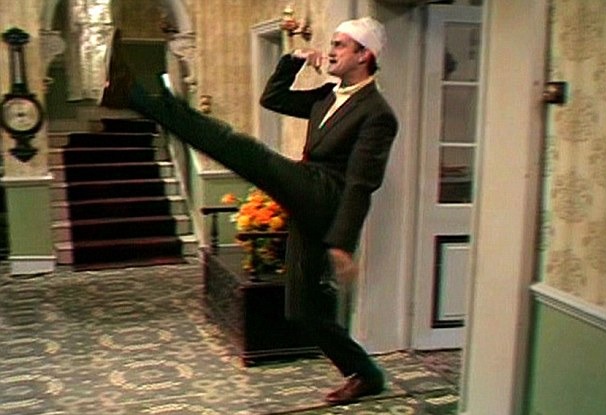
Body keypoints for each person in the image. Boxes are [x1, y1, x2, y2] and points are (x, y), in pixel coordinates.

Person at [101, 16, 398, 405]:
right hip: (307, 197)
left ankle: (136, 95)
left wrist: (342, 242)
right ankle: (366, 374)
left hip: (325, 194)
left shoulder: (377, 113)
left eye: (340, 45)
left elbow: (361, 183)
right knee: (303, 309)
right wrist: (292, 60)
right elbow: (273, 99)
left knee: (240, 149)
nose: (331, 50)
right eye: (332, 43)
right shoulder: (328, 96)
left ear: (364, 56)